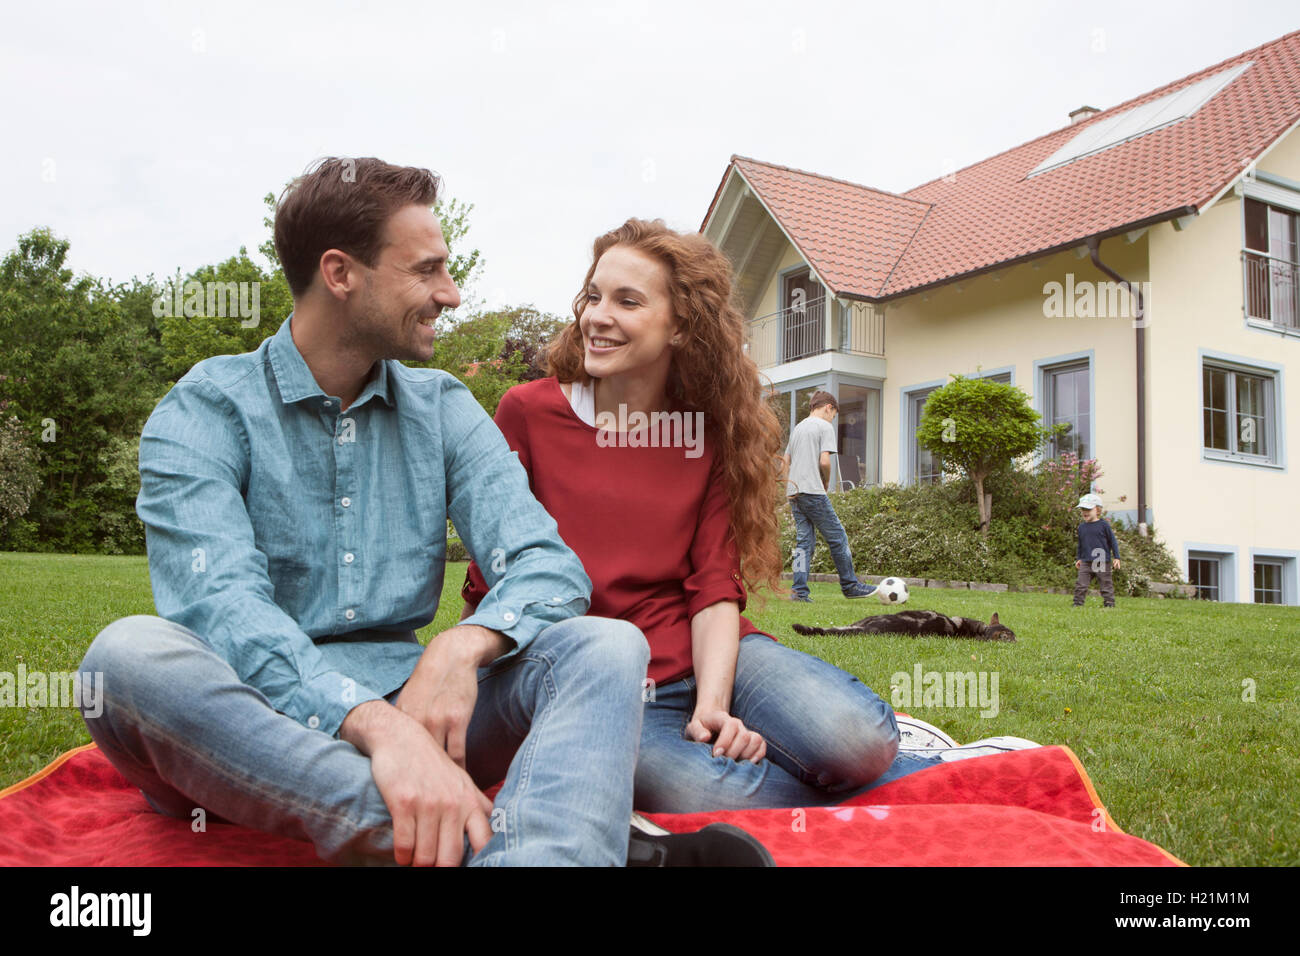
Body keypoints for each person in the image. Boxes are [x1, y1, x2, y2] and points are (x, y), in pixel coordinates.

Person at [75, 158, 721, 867]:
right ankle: (510, 842)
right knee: (125, 659)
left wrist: (460, 645)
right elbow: (222, 606)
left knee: (605, 644)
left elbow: (548, 567)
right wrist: (378, 729)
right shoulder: (206, 408)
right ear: (341, 274)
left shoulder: (442, 406)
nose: (450, 292)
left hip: (421, 707)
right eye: (427, 270)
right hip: (257, 722)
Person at [461, 219, 942, 813]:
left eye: (627, 301)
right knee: (702, 792)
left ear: (681, 327)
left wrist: (712, 706)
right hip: (599, 682)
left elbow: (714, 581)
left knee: (856, 740)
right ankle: (899, 784)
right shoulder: (528, 411)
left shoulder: (706, 428)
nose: (596, 316)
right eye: (593, 295)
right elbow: (492, 575)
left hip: (708, 651)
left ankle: (848, 763)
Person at [783, 392, 877, 602]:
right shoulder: (824, 427)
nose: (832, 419)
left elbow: (785, 461)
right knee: (838, 537)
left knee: (803, 544)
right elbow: (825, 462)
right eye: (833, 414)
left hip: (795, 491)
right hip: (813, 491)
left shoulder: (798, 428)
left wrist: (788, 488)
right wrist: (825, 482)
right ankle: (850, 585)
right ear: (828, 407)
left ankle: (798, 591)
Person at [1074, 493, 1122, 608]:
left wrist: (1117, 557)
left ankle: (1109, 603)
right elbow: (1081, 544)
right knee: (1081, 584)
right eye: (1083, 509)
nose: (1085, 512)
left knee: (1105, 584)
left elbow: (1112, 541)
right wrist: (1079, 558)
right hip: (1086, 561)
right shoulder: (1081, 527)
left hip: (1101, 560)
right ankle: (1078, 604)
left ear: (1097, 510)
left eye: (1088, 509)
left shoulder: (1104, 525)